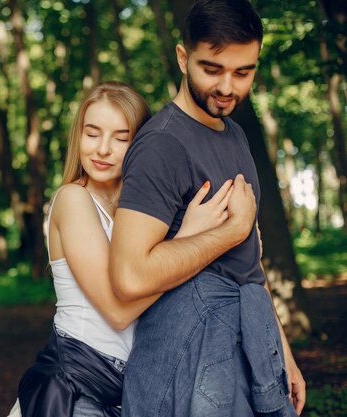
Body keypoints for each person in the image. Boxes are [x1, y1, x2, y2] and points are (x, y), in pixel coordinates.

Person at [109, 1, 306, 416]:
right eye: (212, 69)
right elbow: (129, 276)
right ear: (183, 58)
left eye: (243, 72)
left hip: (250, 339)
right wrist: (229, 233)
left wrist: (281, 351)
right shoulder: (162, 144)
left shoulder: (234, 134)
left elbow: (248, 261)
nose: (228, 87)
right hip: (192, 354)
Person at [10, 81, 237, 417]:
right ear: (78, 137)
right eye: (92, 133)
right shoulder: (73, 199)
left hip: (131, 391)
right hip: (75, 384)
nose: (103, 149)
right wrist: (189, 238)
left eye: (121, 137)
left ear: (140, 144)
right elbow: (119, 311)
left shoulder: (141, 213)